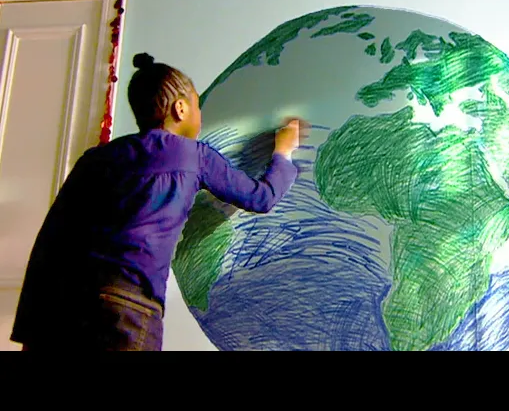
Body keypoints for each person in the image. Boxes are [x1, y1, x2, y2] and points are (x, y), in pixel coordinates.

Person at [11, 52, 305, 351]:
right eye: (197, 106)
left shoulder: (95, 159)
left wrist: (30, 333)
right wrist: (283, 152)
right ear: (180, 108)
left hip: (62, 306)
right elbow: (260, 198)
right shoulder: (192, 155)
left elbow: (50, 241)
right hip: (126, 305)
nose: (199, 114)